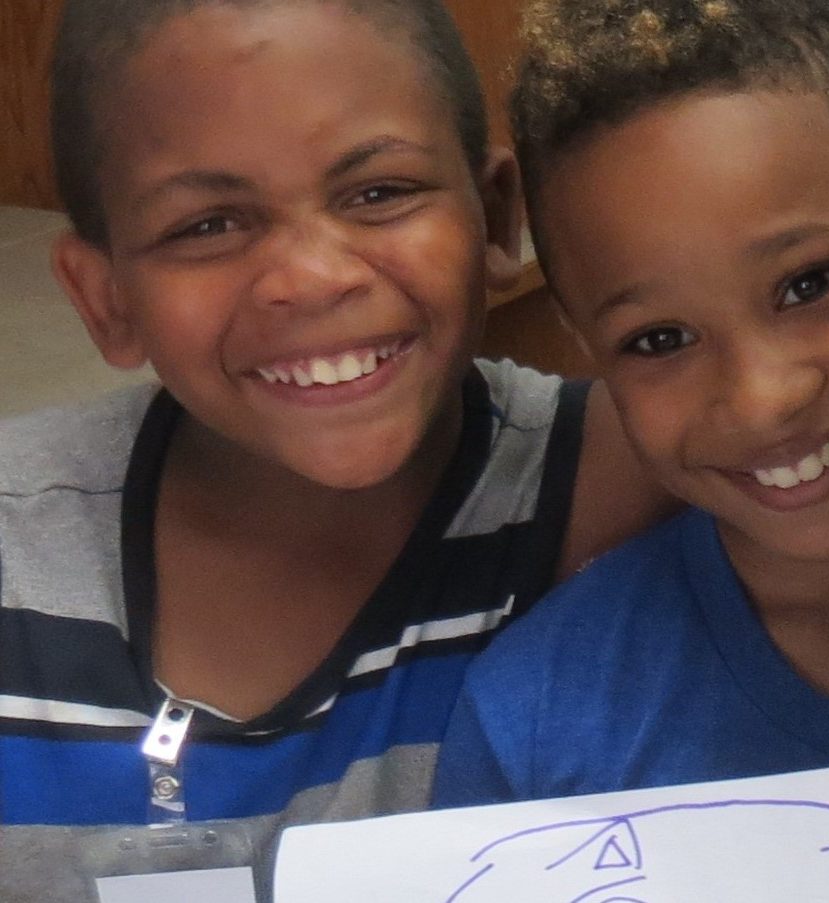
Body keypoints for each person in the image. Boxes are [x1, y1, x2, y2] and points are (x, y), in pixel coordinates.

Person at [0, 1, 672, 898]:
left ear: (497, 217)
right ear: (106, 298)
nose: (313, 279)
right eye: (208, 224)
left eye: (378, 192)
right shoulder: (14, 557)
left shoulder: (631, 475)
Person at [430, 0, 829, 806]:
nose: (761, 399)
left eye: (808, 284)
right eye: (659, 339)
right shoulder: (539, 734)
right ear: (587, 345)